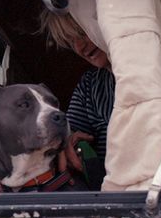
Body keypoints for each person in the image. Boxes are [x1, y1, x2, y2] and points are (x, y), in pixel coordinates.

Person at [40, 10, 115, 184]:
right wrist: (68, 143)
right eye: (71, 41)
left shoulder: (158, 69)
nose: (80, 46)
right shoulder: (89, 85)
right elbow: (70, 132)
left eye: (83, 33)